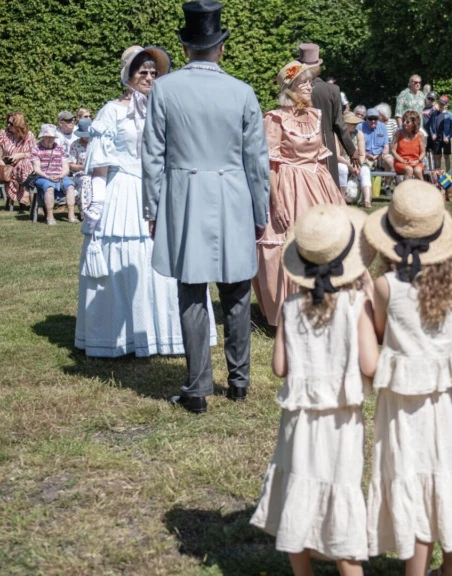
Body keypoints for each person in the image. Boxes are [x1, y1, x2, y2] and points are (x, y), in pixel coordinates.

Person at [142, 0, 270, 414]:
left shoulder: (164, 88)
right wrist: (260, 212)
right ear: (221, 48)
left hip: (186, 197)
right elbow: (257, 161)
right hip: (233, 194)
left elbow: (152, 156)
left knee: (192, 290)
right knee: (236, 288)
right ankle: (239, 381)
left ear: (185, 48)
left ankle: (197, 388)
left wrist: (152, 208)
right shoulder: (243, 91)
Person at [363, 180, 452, 574]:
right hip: (446, 405)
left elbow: (380, 335)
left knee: (413, 484)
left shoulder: (386, 287)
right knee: (445, 478)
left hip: (405, 407)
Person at [250, 204, 379, 576]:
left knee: (299, 491)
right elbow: (370, 364)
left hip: (298, 422)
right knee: (341, 498)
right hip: (341, 422)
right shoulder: (357, 306)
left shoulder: (290, 307)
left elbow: (279, 368)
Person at [77, 44, 213, 359]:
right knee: (127, 259)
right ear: (128, 74)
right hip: (124, 191)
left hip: (162, 188)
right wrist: (96, 204)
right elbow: (99, 163)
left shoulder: (166, 107)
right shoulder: (112, 110)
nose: (149, 77)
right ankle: (121, 336)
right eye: (142, 71)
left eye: (153, 72)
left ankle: (168, 334)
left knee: (163, 262)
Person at [253, 59, 346, 328]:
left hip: (318, 184)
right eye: (302, 82)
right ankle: (294, 312)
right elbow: (269, 163)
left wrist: (334, 192)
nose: (308, 86)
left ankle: (328, 305)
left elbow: (320, 155)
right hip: (288, 186)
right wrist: (277, 201)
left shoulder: (315, 116)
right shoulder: (275, 118)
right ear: (290, 89)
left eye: (309, 81)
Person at [298, 43, 358, 178]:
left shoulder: (294, 89)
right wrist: (352, 150)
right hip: (325, 143)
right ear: (318, 67)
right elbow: (339, 123)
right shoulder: (332, 90)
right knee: (328, 187)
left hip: (301, 144)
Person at [30, 124, 77, 224]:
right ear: (42, 137)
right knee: (49, 187)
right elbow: (36, 169)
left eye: (52, 137)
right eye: (47, 137)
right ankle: (50, 217)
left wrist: (61, 175)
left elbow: (66, 167)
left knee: (70, 186)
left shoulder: (59, 148)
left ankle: (71, 215)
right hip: (43, 176)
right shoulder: (36, 148)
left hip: (60, 175)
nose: (50, 139)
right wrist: (48, 176)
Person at [0, 112, 36, 207]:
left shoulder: (29, 135)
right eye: (7, 122)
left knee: (25, 162)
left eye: (11, 123)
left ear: (18, 124)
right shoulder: (4, 134)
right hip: (9, 168)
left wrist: (21, 155)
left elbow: (35, 154)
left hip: (26, 169)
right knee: (25, 164)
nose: (8, 125)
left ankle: (26, 195)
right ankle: (27, 197)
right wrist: (0, 161)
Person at [337, 111, 372, 206]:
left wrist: (358, 165)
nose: (355, 125)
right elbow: (337, 156)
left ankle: (367, 200)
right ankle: (341, 198)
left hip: (357, 162)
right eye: (352, 123)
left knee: (365, 170)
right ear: (345, 124)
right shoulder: (336, 134)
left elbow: (362, 153)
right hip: (342, 162)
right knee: (342, 168)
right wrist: (350, 165)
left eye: (356, 123)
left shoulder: (359, 134)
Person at [392, 110, 426, 180]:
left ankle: (422, 190)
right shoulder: (398, 133)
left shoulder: (420, 135)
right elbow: (393, 151)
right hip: (400, 162)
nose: (404, 123)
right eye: (403, 120)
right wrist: (402, 160)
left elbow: (423, 152)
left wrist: (418, 161)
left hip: (416, 161)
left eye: (407, 122)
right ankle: (406, 190)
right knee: (409, 169)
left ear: (414, 123)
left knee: (418, 171)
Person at [428, 95, 452, 174]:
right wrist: (433, 134)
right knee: (437, 156)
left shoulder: (449, 115)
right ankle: (438, 173)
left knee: (446, 156)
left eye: (443, 104)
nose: (441, 105)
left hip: (446, 138)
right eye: (440, 103)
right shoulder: (434, 114)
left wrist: (448, 137)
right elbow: (431, 125)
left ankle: (448, 173)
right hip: (437, 138)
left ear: (447, 105)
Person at [68, 117, 92, 204]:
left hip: (96, 172)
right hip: (80, 174)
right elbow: (71, 165)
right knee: (86, 181)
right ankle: (85, 211)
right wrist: (82, 167)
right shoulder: (75, 145)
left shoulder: (96, 143)